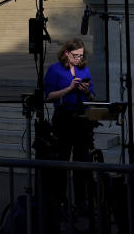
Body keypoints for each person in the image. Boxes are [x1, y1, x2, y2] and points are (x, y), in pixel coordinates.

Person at [43, 39, 96, 210]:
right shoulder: (55, 69)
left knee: (82, 162)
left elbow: (93, 97)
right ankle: (60, 201)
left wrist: (86, 91)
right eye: (76, 55)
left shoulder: (84, 69)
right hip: (63, 117)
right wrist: (69, 88)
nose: (79, 58)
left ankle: (82, 201)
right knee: (62, 161)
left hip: (81, 118)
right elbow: (48, 96)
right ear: (66, 53)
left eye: (81, 55)